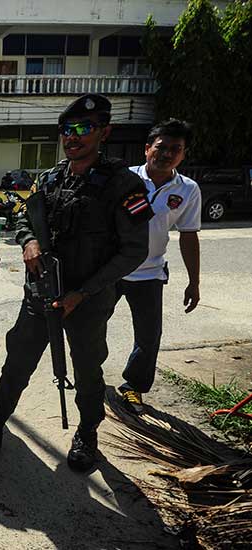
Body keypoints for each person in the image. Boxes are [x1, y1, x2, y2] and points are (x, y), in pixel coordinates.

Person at [0, 94, 153, 472]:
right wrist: (28, 243)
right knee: (17, 361)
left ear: (104, 132)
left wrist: (83, 292)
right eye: (67, 130)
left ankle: (87, 434)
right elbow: (26, 218)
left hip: (86, 300)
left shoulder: (123, 185)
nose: (73, 137)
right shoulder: (51, 177)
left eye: (84, 129)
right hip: (41, 292)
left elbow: (134, 251)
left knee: (87, 369)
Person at [115, 119, 201, 414]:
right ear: (147, 148)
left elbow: (189, 236)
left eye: (175, 149)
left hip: (150, 272)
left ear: (183, 154)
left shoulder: (188, 189)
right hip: (109, 269)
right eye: (161, 147)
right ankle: (90, 375)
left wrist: (194, 281)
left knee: (149, 337)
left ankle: (133, 388)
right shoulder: (123, 178)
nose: (166, 154)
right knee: (90, 328)